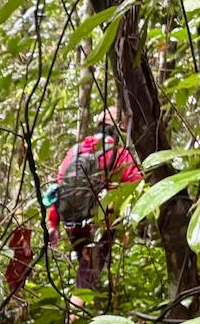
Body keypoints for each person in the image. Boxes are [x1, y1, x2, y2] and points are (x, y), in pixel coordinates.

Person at [46, 107, 140, 292]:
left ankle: (89, 308)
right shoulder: (117, 153)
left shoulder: (75, 151)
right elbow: (136, 182)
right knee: (89, 274)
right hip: (99, 221)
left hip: (72, 222)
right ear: (119, 128)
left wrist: (53, 224)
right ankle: (74, 314)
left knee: (87, 267)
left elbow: (60, 186)